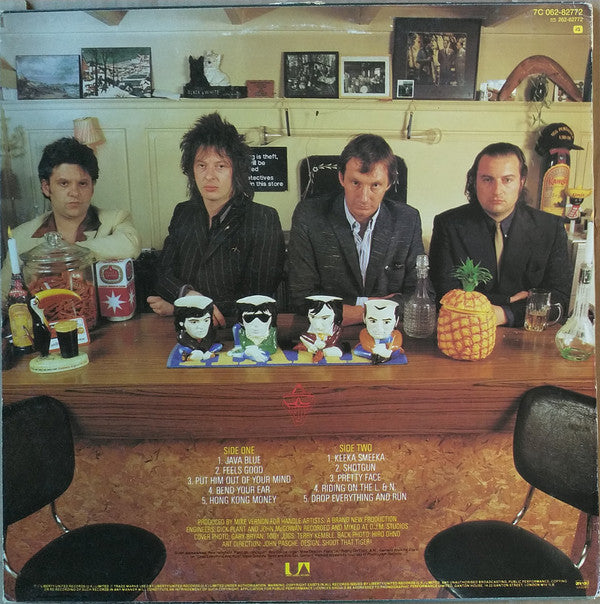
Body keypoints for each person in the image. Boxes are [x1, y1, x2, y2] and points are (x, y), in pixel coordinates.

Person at [148, 112, 285, 327]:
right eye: (201, 165)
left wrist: (181, 308)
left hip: (239, 333)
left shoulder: (263, 219)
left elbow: (257, 299)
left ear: (237, 171)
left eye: (221, 166)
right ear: (191, 170)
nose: (209, 176)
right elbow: (162, 274)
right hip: (184, 332)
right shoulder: (183, 212)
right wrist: (188, 295)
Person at [429, 142, 572, 327]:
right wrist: (509, 301)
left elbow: (560, 300)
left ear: (521, 181)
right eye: (487, 179)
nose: (497, 190)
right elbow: (444, 296)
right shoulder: (448, 225)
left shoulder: (550, 228)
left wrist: (504, 314)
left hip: (528, 334)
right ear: (474, 181)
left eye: (507, 180)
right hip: (466, 329)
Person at [287, 133, 427, 325]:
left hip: (388, 333)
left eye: (375, 185)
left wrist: (347, 310)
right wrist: (368, 310)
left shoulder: (407, 220)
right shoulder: (309, 217)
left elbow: (421, 295)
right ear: (341, 178)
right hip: (328, 332)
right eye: (356, 183)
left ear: (388, 184)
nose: (363, 197)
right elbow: (302, 298)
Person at [2, 137, 141, 298]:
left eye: (82, 183)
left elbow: (131, 245)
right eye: (64, 183)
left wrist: (68, 254)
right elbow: (3, 295)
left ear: (92, 187)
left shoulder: (115, 220)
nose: (74, 193)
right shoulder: (21, 236)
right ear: (46, 187)